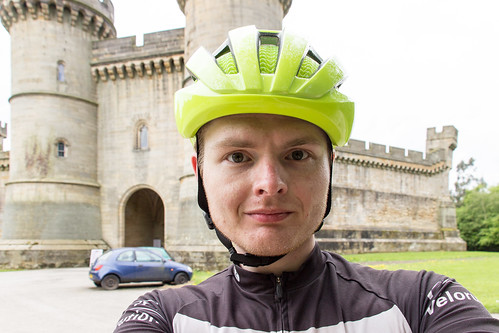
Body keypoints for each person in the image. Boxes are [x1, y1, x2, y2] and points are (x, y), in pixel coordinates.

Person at [114, 25, 498, 332]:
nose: (269, 182)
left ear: (331, 169)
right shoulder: (162, 317)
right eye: (237, 156)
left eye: (298, 155)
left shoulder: (423, 301)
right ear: (199, 175)